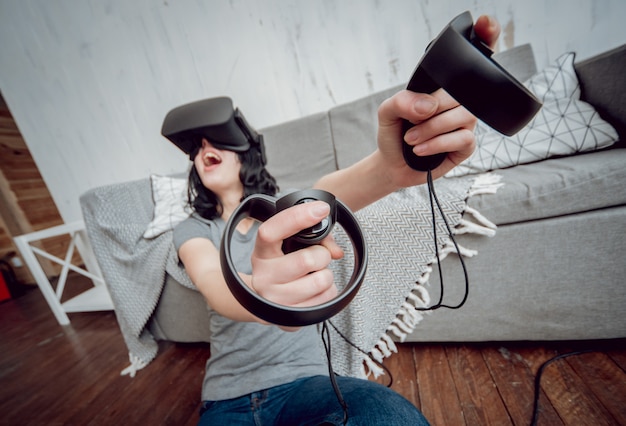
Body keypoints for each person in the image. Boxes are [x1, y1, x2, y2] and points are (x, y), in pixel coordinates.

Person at [170, 14, 501, 426]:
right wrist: (261, 291)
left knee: (389, 416)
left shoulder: (285, 210)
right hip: (226, 400)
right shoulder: (192, 229)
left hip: (308, 387)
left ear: (244, 152)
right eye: (195, 151)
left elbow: (330, 191)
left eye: (213, 143)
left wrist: (390, 168)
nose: (204, 152)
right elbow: (215, 285)